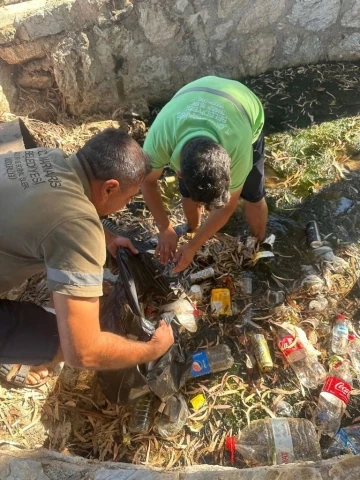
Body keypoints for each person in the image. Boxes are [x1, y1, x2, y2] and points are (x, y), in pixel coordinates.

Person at [0, 128, 174, 388]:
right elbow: (83, 352)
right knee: (61, 338)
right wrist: (153, 349)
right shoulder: (80, 229)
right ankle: (12, 355)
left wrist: (109, 238)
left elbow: (58, 207)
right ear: (110, 188)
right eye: (128, 197)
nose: (126, 205)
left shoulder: (48, 157)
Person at [142, 76, 267, 273]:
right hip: (193, 97)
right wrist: (164, 227)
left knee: (254, 196)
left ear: (229, 168)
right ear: (179, 173)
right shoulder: (159, 138)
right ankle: (192, 228)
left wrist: (193, 247)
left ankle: (258, 243)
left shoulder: (239, 150)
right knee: (189, 194)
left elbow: (226, 208)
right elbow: (147, 182)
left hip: (242, 106)